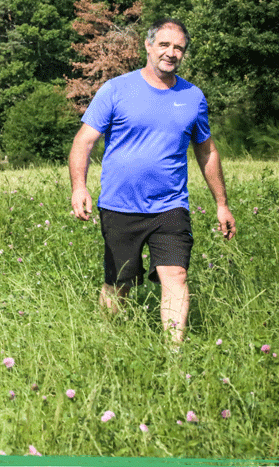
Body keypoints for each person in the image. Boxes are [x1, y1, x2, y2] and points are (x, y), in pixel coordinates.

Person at [68, 18, 236, 345]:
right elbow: (83, 141)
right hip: (120, 206)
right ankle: (108, 345)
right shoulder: (116, 89)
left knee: (175, 275)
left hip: (170, 206)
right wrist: (79, 186)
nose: (171, 53)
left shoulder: (193, 97)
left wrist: (222, 204)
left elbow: (207, 151)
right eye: (164, 45)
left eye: (178, 48)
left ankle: (175, 360)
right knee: (120, 284)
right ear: (148, 46)